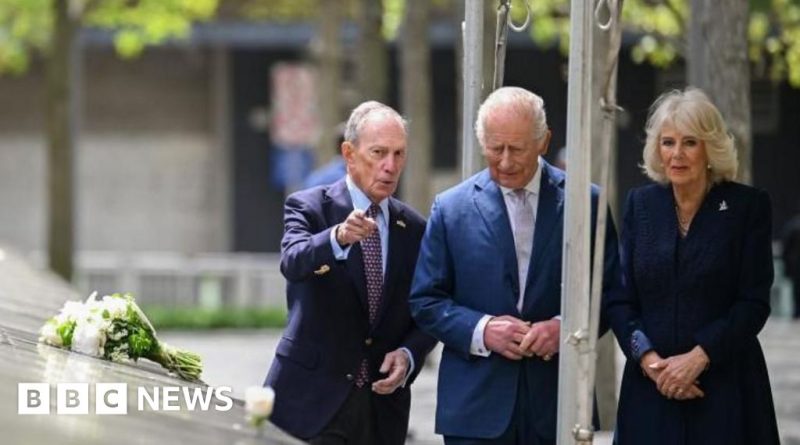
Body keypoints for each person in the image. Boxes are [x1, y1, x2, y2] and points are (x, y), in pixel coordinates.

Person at [409, 86, 622, 445]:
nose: (505, 161)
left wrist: (563, 329)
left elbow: (610, 291)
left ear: (544, 141)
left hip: (558, 405)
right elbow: (426, 301)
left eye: (517, 149)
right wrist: (482, 329)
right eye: (495, 149)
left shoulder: (585, 202)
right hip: (475, 410)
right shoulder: (450, 209)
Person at [605, 88, 780, 445]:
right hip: (650, 391)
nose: (677, 154)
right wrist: (651, 361)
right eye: (668, 143)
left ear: (710, 149)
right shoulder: (640, 204)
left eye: (690, 142)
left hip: (726, 388)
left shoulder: (747, 207)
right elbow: (621, 299)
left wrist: (699, 357)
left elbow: (753, 302)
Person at [264, 101, 437, 444]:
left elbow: (428, 306)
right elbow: (293, 262)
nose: (390, 166)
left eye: (399, 154)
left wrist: (409, 354)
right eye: (378, 152)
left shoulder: (414, 228)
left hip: (379, 410)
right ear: (349, 153)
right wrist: (337, 238)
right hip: (311, 402)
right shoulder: (309, 207)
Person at [781, 211, 800, 318]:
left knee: (796, 291)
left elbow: (786, 247)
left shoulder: (793, 225)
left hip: (795, 266)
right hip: (795, 265)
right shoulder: (793, 226)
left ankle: (796, 312)